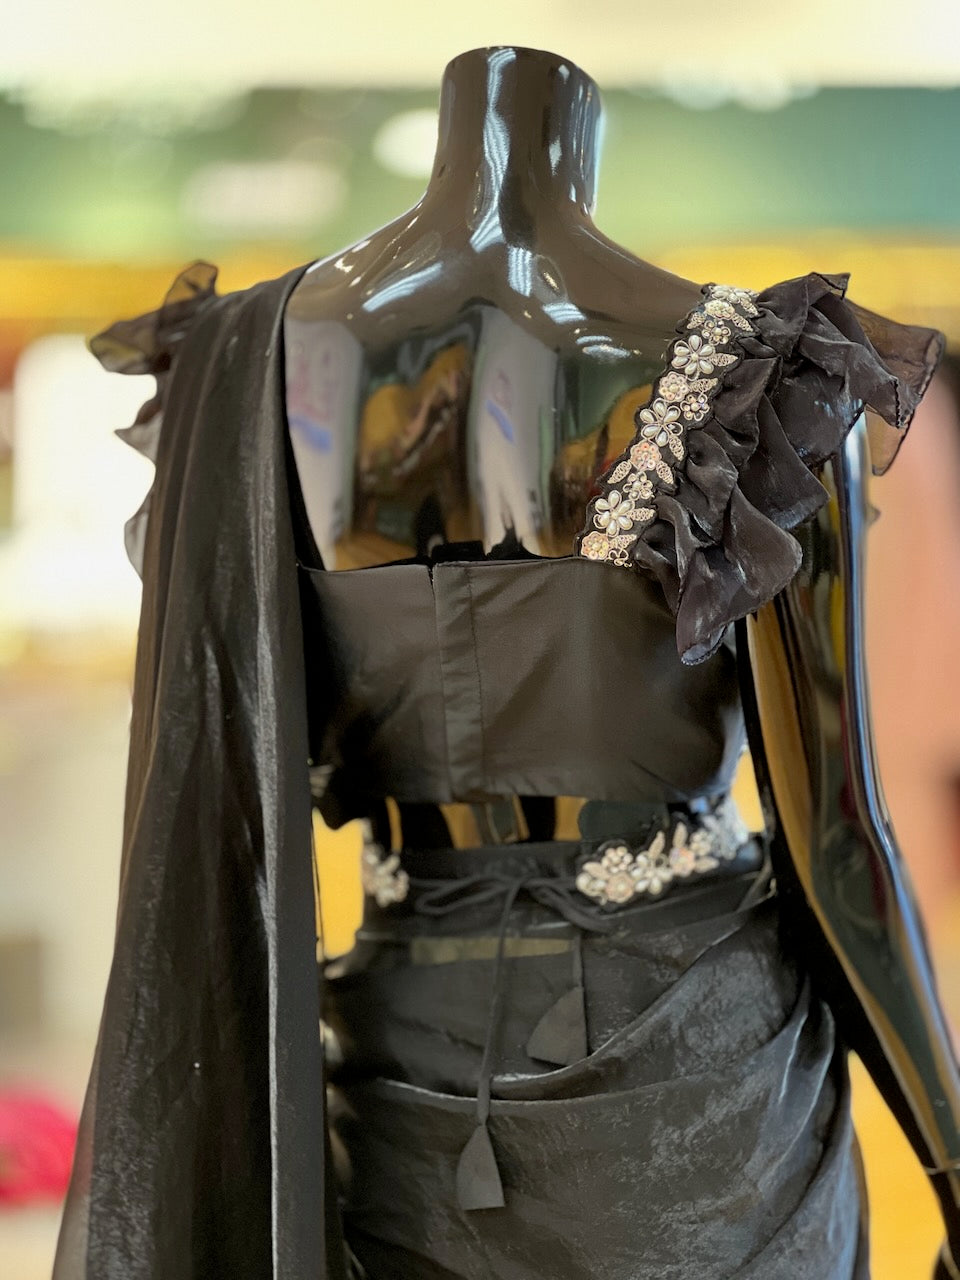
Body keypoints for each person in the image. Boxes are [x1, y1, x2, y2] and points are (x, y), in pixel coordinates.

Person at [54, 46, 960, 1280]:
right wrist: (950, 1157)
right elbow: (839, 836)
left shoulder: (248, 366)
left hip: (398, 1069)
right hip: (698, 1095)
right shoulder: (771, 371)